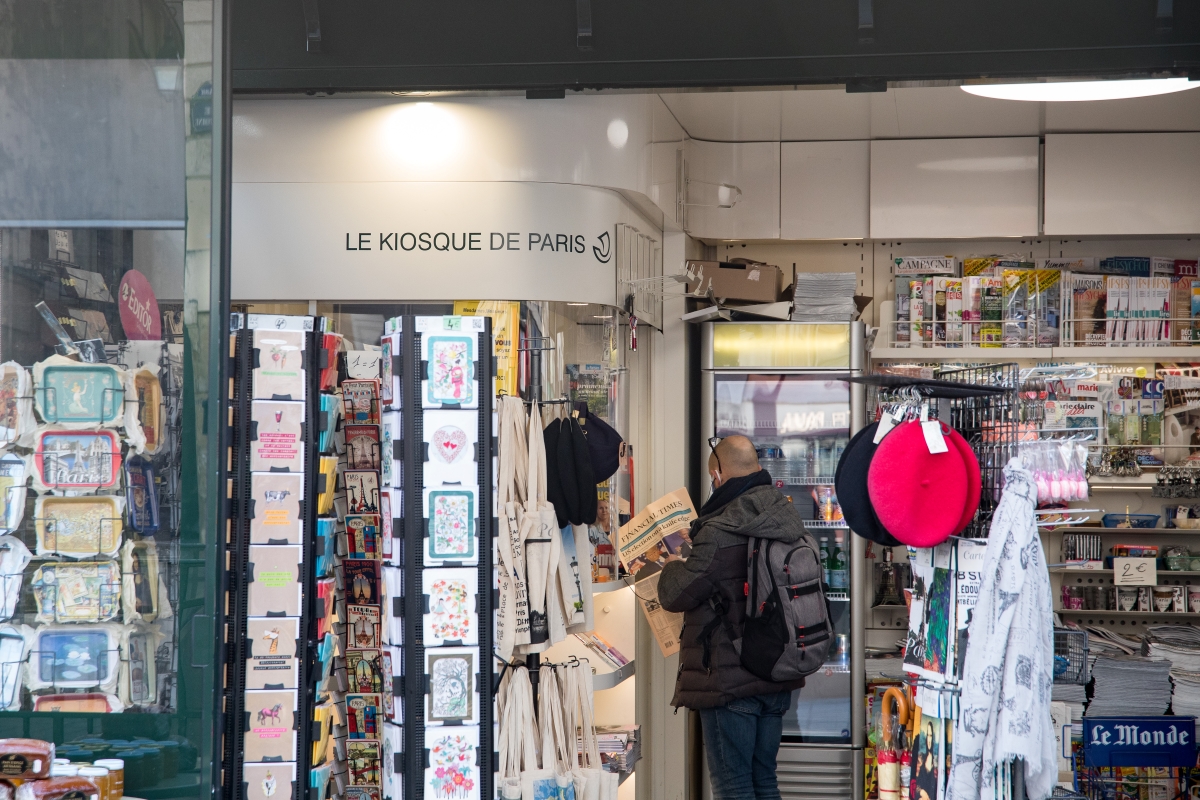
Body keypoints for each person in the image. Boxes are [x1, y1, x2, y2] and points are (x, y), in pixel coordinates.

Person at [656, 435, 809, 800]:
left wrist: (672, 566)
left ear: (718, 476)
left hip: (730, 680)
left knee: (733, 786)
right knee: (763, 780)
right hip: (776, 675)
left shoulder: (720, 529)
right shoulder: (785, 517)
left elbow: (676, 594)